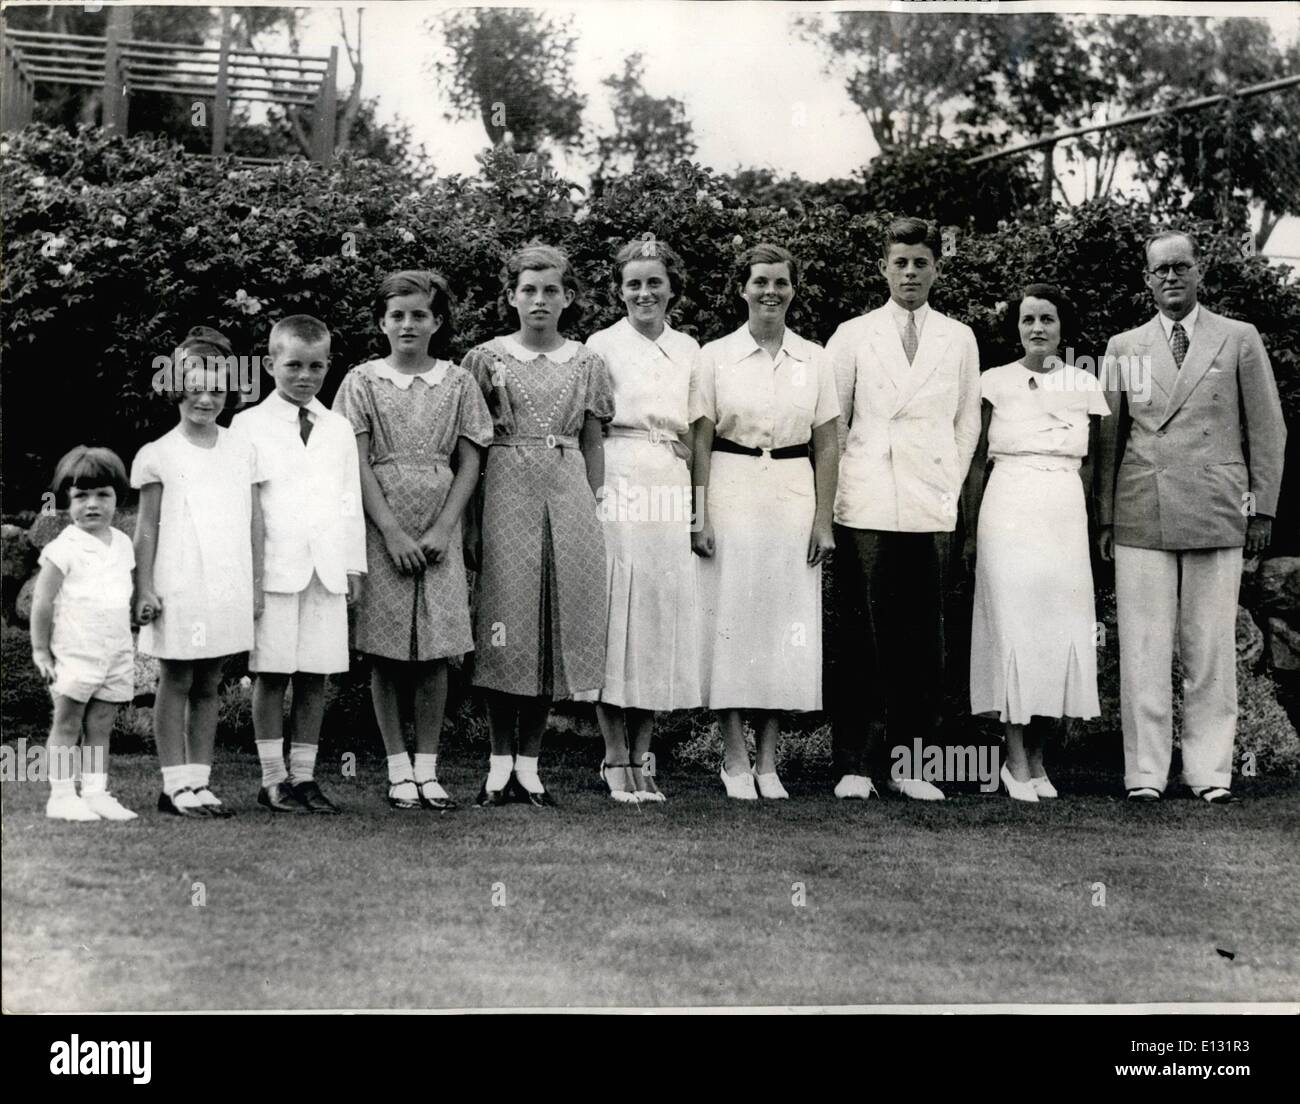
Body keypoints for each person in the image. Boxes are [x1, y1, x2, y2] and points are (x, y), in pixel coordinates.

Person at [1098, 229, 1286, 804]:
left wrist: (1263, 508)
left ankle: (1208, 772)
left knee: (1209, 650)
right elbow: (1109, 439)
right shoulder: (1123, 347)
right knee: (1144, 649)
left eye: (1182, 267)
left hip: (1216, 508)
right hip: (1141, 510)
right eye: (1161, 270)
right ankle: (1146, 774)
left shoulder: (1238, 338)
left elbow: (1268, 428)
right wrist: (1105, 518)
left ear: (1199, 273)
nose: (1172, 278)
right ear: (1146, 280)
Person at [827, 216, 981, 802]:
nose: (910, 273)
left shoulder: (958, 337)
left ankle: (913, 765)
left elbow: (967, 423)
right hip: (866, 501)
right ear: (883, 269)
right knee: (862, 635)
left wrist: (947, 482)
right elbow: (835, 424)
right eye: (900, 263)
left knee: (924, 638)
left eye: (921, 262)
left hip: (930, 503)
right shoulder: (853, 334)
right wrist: (850, 485)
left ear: (936, 268)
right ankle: (856, 766)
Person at [334, 271, 493, 811]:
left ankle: (428, 770)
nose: (407, 324)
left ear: (437, 322)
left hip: (438, 528)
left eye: (419, 314)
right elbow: (352, 462)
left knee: (434, 655)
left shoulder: (458, 382)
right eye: (397, 315)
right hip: (384, 525)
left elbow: (471, 459)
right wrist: (392, 531)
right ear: (382, 322)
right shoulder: (361, 382)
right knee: (387, 655)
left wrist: (446, 526)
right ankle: (397, 769)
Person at [463, 244, 614, 807]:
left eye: (551, 290)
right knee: (505, 624)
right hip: (504, 488)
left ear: (568, 298)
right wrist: (472, 522)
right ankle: (498, 763)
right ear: (512, 296)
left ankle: (530, 765)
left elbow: (594, 441)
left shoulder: (586, 362)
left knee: (554, 626)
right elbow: (471, 445)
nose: (539, 300)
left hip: (568, 492)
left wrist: (592, 507)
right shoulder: (485, 359)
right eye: (528, 289)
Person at [690, 243, 839, 800]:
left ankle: (769, 763)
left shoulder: (815, 359)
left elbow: (827, 443)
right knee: (730, 620)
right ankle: (733, 758)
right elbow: (700, 438)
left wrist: (823, 521)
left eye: (780, 281)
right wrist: (699, 515)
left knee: (782, 624)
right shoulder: (714, 355)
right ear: (742, 289)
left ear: (794, 289)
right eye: (759, 282)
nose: (770, 291)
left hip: (793, 492)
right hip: (731, 485)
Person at [964, 285, 1109, 801]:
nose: (1038, 329)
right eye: (1028, 320)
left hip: (1064, 511)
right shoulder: (994, 382)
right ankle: (1014, 760)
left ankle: (1040, 759)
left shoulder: (1085, 382)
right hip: (1008, 508)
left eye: (1047, 319)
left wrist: (1092, 526)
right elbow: (977, 459)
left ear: (1062, 327)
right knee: (1014, 630)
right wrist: (969, 531)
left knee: (1057, 633)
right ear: (1017, 327)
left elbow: (1093, 464)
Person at [576, 236, 701, 803]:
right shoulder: (600, 345)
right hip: (618, 475)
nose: (644, 292)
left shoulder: (691, 349)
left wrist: (697, 508)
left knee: (654, 612)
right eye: (633, 283)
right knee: (614, 610)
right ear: (620, 290)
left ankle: (644, 753)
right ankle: (613, 755)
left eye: (654, 282)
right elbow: (590, 426)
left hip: (668, 483)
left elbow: (699, 431)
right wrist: (593, 492)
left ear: (672, 287)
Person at [232, 315, 366, 814]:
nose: (304, 376)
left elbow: (349, 500)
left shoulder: (338, 428)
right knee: (272, 673)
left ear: (328, 366)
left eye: (315, 366)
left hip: (326, 571)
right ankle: (272, 780)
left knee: (316, 675)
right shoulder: (248, 426)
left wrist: (353, 567)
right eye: (293, 366)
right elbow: (245, 508)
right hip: (274, 571)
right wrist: (250, 576)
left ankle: (305, 778)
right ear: (271, 365)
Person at [133, 326, 262, 818]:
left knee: (210, 682)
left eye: (216, 390)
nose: (205, 399)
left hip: (225, 582)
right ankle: (173, 786)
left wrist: (252, 588)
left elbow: (254, 524)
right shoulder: (158, 454)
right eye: (195, 388)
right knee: (177, 678)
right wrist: (144, 587)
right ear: (176, 390)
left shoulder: (241, 449)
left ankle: (199, 782)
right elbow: (146, 531)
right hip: (179, 581)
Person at [29, 447, 140, 821]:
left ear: (117, 499)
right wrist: (41, 652)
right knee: (68, 722)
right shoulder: (63, 548)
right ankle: (61, 796)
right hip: (74, 651)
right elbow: (42, 602)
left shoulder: (123, 544)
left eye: (102, 495)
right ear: (67, 500)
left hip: (115, 651)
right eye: (81, 496)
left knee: (101, 724)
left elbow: (124, 592)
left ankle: (95, 792)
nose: (92, 504)